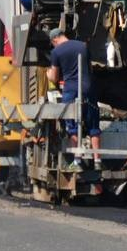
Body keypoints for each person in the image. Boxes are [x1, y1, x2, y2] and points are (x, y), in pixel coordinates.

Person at [46, 27, 101, 170]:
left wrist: (48, 74)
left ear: (55, 39)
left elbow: (54, 77)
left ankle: (77, 161)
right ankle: (97, 161)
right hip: (88, 89)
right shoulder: (83, 46)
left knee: (73, 126)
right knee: (93, 126)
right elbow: (90, 69)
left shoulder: (56, 52)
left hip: (71, 90)